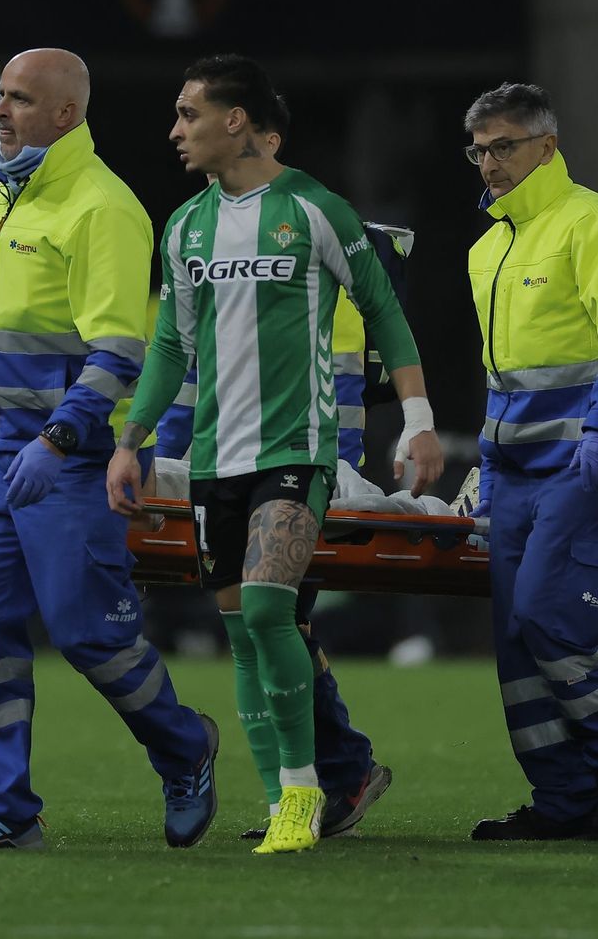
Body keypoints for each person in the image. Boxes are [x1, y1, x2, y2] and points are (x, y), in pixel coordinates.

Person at [106, 54, 443, 855]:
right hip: (217, 455)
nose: (175, 130)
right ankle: (280, 795)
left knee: (267, 608)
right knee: (245, 632)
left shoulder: (315, 210)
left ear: (236, 120)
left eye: (189, 114)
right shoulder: (185, 225)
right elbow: (168, 345)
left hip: (298, 448)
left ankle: (301, 793)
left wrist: (420, 420)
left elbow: (385, 315)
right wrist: (131, 439)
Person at [0, 48, 215, 853]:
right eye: (0, 94)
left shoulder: (101, 207)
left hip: (68, 456)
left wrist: (60, 437)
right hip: (6, 450)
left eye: (20, 99)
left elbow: (119, 353)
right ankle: (5, 807)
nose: (0, 109)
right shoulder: (0, 201)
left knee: (89, 633)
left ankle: (185, 747)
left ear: (67, 114)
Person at [460, 82, 598, 841]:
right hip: (513, 470)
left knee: (547, 613)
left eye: (504, 145)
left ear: (546, 146)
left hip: (585, 461)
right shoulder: (488, 248)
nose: (489, 162)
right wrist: (482, 463)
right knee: (516, 643)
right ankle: (564, 798)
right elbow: (501, 374)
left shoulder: (597, 224)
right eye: (478, 149)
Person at [155, 283, 398, 844]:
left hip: (301, 467)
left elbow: (338, 392)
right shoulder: (216, 241)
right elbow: (187, 376)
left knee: (272, 622)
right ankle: (312, 787)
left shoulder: (300, 248)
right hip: (237, 470)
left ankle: (324, 782)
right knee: (270, 627)